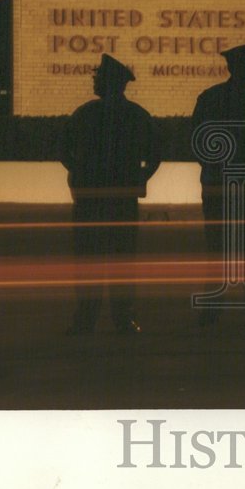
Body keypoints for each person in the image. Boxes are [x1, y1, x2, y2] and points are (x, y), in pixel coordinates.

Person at [62, 53, 160, 334]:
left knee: (88, 260)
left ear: (109, 82)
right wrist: (139, 177)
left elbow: (63, 150)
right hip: (122, 198)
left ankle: (85, 320)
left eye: (98, 77)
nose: (94, 81)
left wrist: (81, 174)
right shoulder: (136, 114)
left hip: (90, 199)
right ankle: (123, 319)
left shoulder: (86, 113)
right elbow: (155, 155)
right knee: (122, 260)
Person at [191, 42, 245, 326]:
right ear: (241, 67)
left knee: (218, 251)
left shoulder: (211, 97)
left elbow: (197, 141)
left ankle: (212, 311)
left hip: (219, 185)